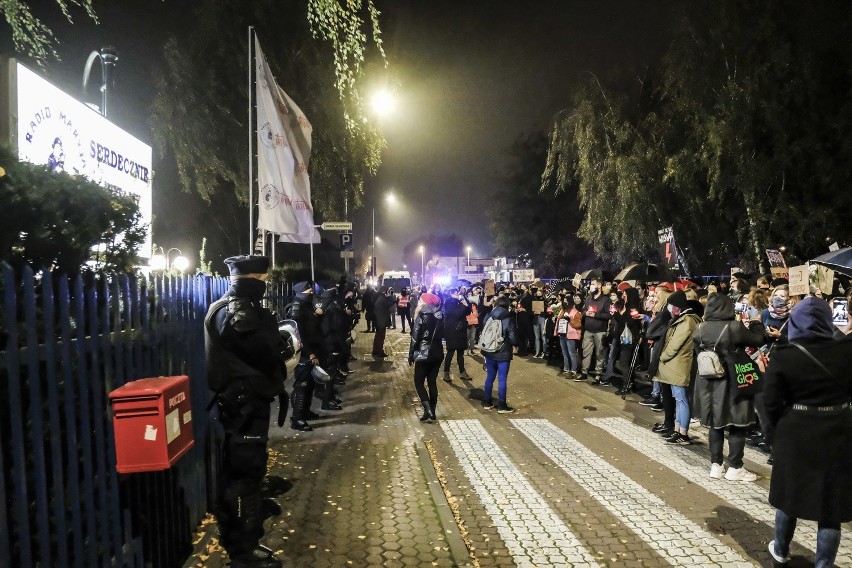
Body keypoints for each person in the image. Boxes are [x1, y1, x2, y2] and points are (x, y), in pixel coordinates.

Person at [204, 255, 284, 568]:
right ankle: (242, 551)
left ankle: (243, 535)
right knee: (244, 473)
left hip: (242, 401)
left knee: (245, 470)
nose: (265, 286)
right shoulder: (238, 311)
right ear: (250, 279)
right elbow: (266, 348)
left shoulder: (224, 306)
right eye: (263, 280)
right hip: (244, 404)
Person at [764, 297, 852, 567]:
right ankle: (823, 564)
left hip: (796, 431)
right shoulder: (847, 351)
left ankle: (780, 548)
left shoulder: (785, 354)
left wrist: (775, 434)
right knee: (831, 507)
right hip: (838, 430)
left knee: (790, 496)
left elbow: (770, 402)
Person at [692, 293, 766, 480]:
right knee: (737, 423)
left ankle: (716, 465)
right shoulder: (734, 327)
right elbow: (759, 339)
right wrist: (756, 323)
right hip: (734, 380)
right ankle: (735, 467)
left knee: (715, 424)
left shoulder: (699, 328)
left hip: (708, 382)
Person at [656, 290, 701, 445]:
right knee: (678, 398)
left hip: (679, 364)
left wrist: (661, 357)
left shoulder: (687, 321)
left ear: (678, 307)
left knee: (681, 400)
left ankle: (683, 433)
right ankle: (677, 430)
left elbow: (675, 344)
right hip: (675, 365)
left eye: (671, 305)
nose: (669, 308)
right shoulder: (682, 318)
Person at [408, 292, 445, 422]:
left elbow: (414, 338)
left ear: (424, 303)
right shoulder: (440, 316)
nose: (418, 301)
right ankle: (431, 412)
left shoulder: (422, 317)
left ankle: (428, 409)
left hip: (424, 353)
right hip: (437, 353)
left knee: (418, 382)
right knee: (432, 382)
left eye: (420, 300)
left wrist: (411, 355)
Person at [480, 295, 519, 413]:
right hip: (503, 352)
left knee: (489, 377)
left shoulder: (489, 316)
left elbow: (484, 329)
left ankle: (487, 402)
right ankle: (502, 405)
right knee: (502, 379)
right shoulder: (509, 318)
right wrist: (515, 345)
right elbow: (513, 338)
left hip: (489, 351)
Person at [579, 278, 612, 382]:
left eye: (593, 284)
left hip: (600, 331)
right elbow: (583, 311)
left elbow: (608, 315)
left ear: (599, 286)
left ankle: (598, 374)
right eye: (590, 284)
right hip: (588, 330)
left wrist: (596, 315)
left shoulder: (606, 300)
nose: (591, 286)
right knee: (586, 352)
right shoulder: (588, 299)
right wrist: (586, 313)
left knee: (599, 353)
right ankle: (584, 372)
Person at [442, 288, 472, 381]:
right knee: (450, 352)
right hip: (452, 331)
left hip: (460, 330)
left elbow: (467, 312)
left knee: (460, 353)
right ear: (451, 293)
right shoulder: (449, 302)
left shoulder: (459, 301)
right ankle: (446, 373)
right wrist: (463, 306)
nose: (457, 294)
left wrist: (466, 302)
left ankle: (462, 372)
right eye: (456, 293)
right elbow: (457, 314)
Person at [372, 286, 392, 357]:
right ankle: (379, 351)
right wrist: (390, 296)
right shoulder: (382, 298)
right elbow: (390, 303)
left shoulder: (378, 297)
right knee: (380, 336)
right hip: (381, 320)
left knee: (378, 336)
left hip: (378, 320)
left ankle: (376, 350)